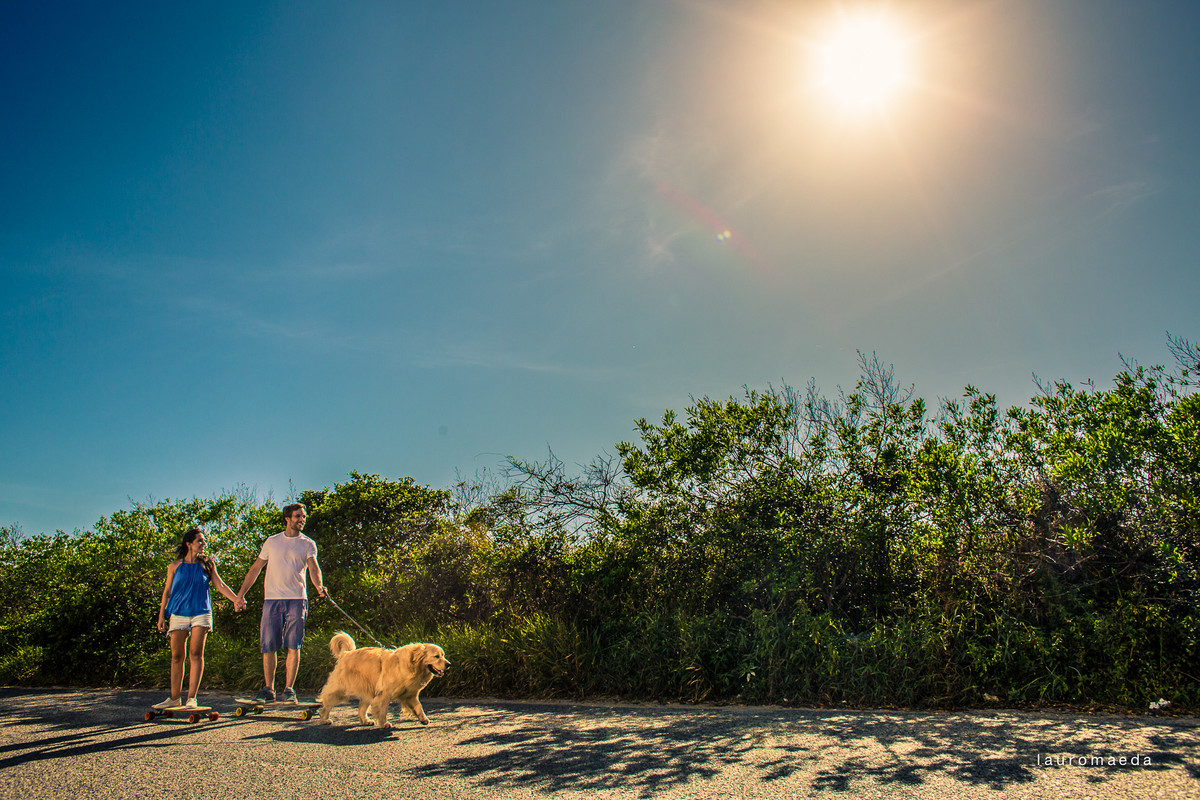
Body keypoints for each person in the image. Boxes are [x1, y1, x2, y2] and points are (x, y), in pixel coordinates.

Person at [236, 502, 325, 703]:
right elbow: (256, 568)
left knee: (294, 644)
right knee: (269, 645)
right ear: (287, 518)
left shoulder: (308, 544)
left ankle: (288, 690)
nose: (302, 519)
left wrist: (319, 586)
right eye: (297, 516)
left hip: (297, 599)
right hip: (272, 600)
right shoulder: (272, 542)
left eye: (303, 516)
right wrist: (241, 594)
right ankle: (268, 689)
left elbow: (313, 568)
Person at [153, 528, 245, 710]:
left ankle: (191, 698)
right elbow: (167, 592)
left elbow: (220, 585)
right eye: (200, 541)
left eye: (204, 541)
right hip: (178, 613)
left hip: (201, 613)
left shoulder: (207, 564)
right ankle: (174, 698)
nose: (204, 544)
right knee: (177, 656)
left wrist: (237, 599)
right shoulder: (174, 566)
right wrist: (161, 616)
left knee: (195, 654)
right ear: (189, 544)